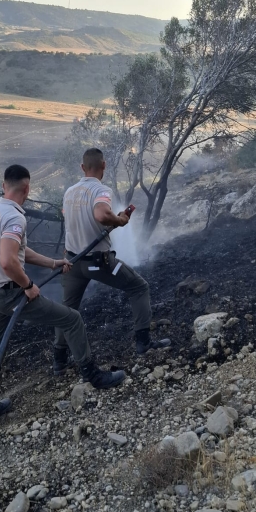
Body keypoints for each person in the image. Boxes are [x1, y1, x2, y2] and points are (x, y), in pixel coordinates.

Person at [0, 164, 125, 421]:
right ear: (27, 189)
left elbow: (19, 251)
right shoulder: (15, 217)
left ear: (4, 186)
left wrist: (52, 262)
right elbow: (8, 261)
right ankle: (93, 375)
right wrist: (27, 286)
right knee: (72, 319)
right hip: (11, 293)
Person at [54, 148, 170, 375]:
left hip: (71, 263)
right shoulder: (100, 190)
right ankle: (143, 342)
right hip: (98, 262)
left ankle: (59, 361)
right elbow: (100, 215)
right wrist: (119, 220)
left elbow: (70, 215)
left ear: (82, 167)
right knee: (138, 287)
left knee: (66, 311)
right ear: (104, 166)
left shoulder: (70, 192)